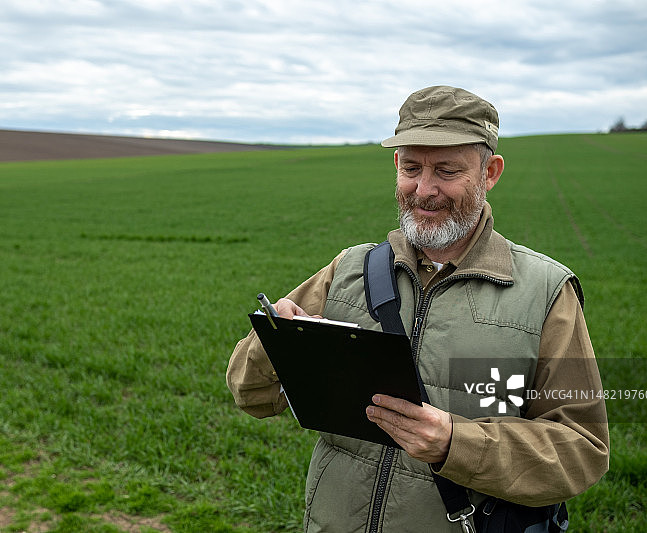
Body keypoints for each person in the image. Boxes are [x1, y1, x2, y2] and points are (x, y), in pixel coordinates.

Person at [226, 86, 609, 532]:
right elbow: (248, 392)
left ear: (490, 173)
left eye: (447, 170)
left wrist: (455, 443)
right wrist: (276, 343)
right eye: (412, 168)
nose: (424, 190)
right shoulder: (349, 269)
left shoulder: (544, 293)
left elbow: (582, 449)